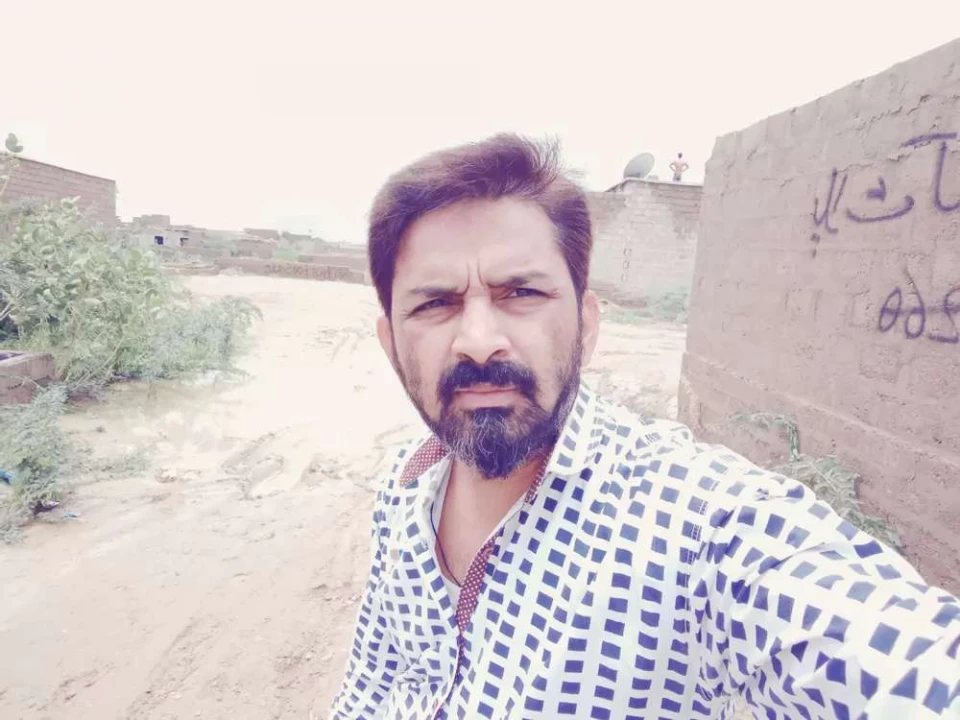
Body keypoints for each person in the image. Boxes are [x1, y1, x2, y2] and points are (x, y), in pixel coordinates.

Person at [330, 134, 960, 719]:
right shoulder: (404, 490)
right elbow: (370, 687)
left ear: (587, 326)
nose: (478, 340)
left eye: (521, 293)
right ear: (391, 344)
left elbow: (900, 662)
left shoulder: (697, 525)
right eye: (435, 303)